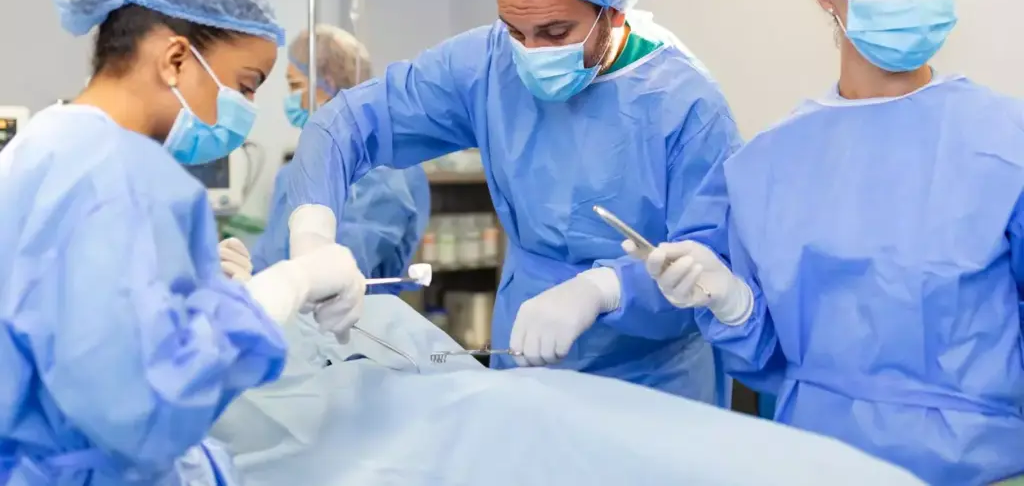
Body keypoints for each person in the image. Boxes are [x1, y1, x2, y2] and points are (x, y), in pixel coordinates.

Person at [633, 0, 1024, 485]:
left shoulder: (1007, 140)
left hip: (988, 467)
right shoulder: (766, 166)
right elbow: (765, 355)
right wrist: (733, 304)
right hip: (819, 462)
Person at [284, 0, 743, 405]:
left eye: (555, 33)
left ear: (612, 13)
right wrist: (313, 238)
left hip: (653, 382)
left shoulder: (687, 106)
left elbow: (711, 264)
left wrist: (604, 288)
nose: (530, 51)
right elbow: (346, 121)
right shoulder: (486, 64)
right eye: (514, 30)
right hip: (523, 360)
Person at [0, 0, 365, 485]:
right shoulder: (119, 177)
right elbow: (144, 405)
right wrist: (283, 286)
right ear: (174, 59)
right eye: (246, 85)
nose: (248, 108)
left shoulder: (42, 147)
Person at [208, 294, 926, 486]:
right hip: (426, 440)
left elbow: (447, 370)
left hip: (497, 409)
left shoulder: (352, 314)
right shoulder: (208, 403)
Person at [220, 25, 430, 293]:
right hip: (289, 325)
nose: (290, 99)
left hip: (354, 327)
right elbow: (270, 259)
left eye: (296, 85)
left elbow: (343, 269)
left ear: (327, 83)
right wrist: (242, 275)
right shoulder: (294, 172)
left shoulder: (380, 174)